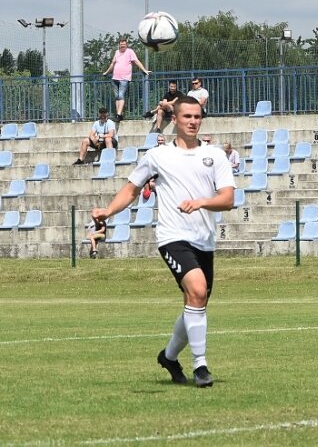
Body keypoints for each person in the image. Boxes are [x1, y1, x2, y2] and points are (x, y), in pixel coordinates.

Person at [91, 97, 236, 388]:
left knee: (197, 301)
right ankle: (201, 366)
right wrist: (108, 210)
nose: (193, 121)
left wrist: (201, 203)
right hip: (172, 237)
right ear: (176, 120)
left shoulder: (215, 156)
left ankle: (169, 357)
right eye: (187, 117)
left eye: (197, 116)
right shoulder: (158, 155)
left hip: (204, 240)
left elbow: (228, 199)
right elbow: (131, 190)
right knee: (197, 291)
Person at [102, 37, 151, 122]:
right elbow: (113, 63)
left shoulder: (130, 52)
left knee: (121, 95)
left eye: (124, 45)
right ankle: (119, 114)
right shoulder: (117, 52)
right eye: (121, 45)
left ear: (126, 45)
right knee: (117, 97)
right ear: (119, 45)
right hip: (115, 77)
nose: (122, 46)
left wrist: (144, 70)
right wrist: (106, 72)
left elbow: (136, 61)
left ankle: (119, 114)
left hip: (124, 78)